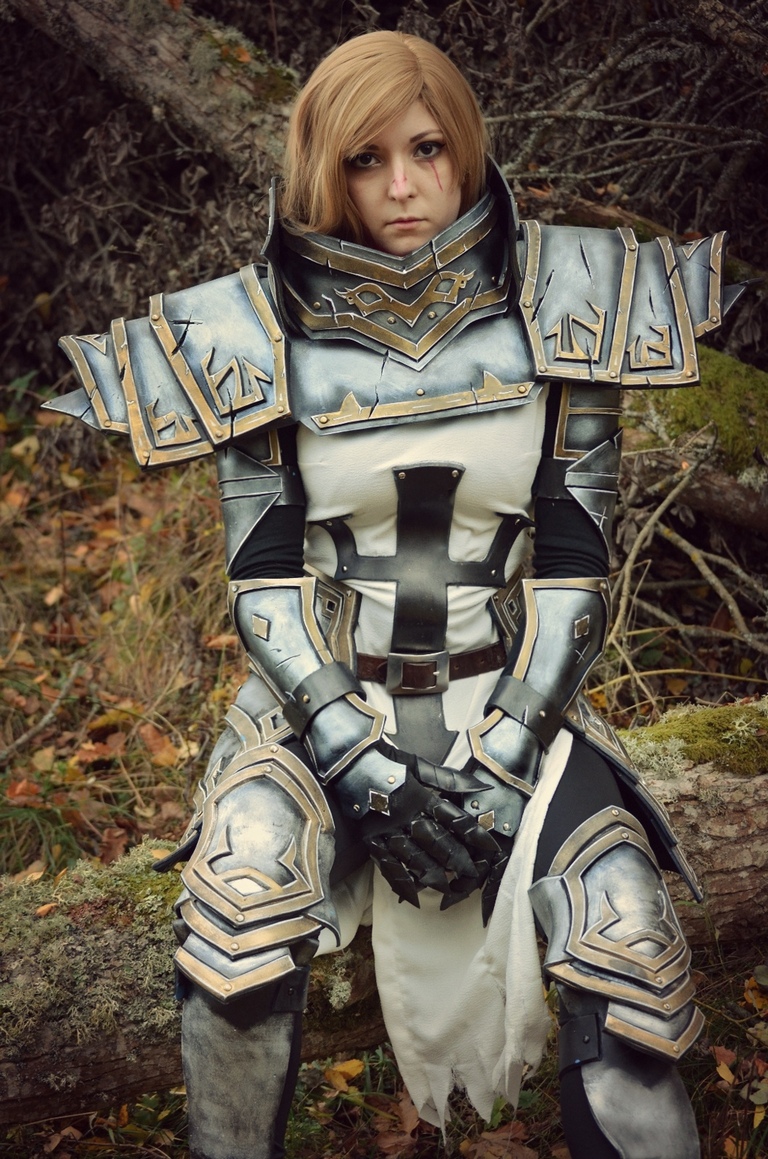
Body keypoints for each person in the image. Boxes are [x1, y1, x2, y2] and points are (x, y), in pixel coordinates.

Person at [47, 30, 744, 1159]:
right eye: (367, 158)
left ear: (463, 149)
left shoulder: (579, 302)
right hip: (322, 703)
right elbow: (264, 585)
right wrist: (357, 757)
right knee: (242, 905)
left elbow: (574, 567)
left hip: (519, 698)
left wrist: (513, 755)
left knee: (626, 947)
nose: (405, 186)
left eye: (426, 149)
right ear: (326, 166)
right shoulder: (245, 333)